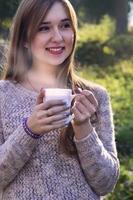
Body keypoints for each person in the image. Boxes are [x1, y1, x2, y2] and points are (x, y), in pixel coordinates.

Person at [0, 0, 119, 199]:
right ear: (24, 39)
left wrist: (83, 129)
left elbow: (106, 183)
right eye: (44, 28)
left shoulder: (95, 96)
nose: (57, 37)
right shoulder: (3, 95)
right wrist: (29, 130)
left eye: (65, 26)